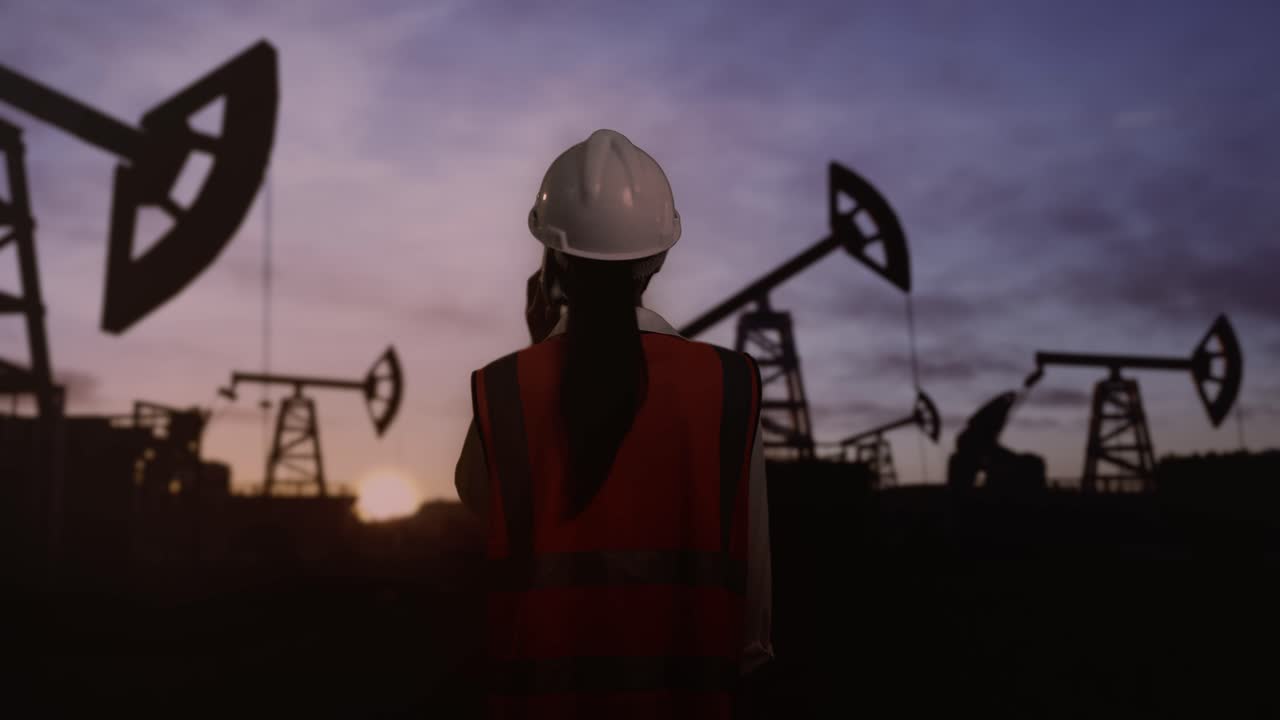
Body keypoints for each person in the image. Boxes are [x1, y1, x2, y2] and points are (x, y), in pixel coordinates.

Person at [455, 128, 774, 718]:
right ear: (658, 258)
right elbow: (751, 603)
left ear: (551, 260)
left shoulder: (502, 390)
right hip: (692, 696)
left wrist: (539, 347)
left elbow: (488, 509)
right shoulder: (731, 386)